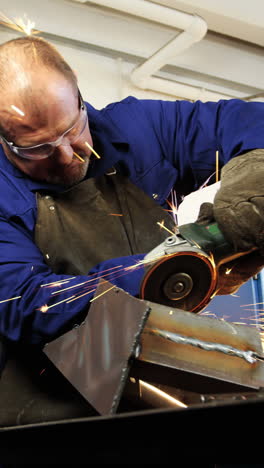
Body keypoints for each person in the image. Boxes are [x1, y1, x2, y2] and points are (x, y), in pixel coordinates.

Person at [0, 35, 263, 426]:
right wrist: (154, 270)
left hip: (160, 375)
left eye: (73, 129)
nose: (68, 156)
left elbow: (250, 125)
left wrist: (250, 199)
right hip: (52, 417)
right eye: (39, 148)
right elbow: (27, 305)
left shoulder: (136, 128)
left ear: (79, 98)